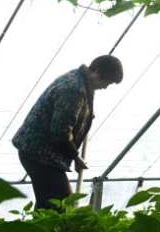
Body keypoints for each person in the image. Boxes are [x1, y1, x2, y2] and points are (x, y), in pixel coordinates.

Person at [12, 55, 123, 210]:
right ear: (98, 71)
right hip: (38, 154)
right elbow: (60, 133)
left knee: (47, 205)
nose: (105, 87)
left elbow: (68, 113)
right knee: (63, 205)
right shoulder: (74, 89)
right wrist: (76, 157)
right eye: (107, 82)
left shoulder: (81, 81)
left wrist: (86, 114)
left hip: (38, 152)